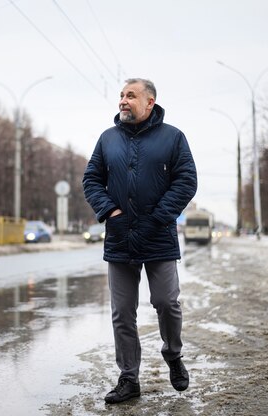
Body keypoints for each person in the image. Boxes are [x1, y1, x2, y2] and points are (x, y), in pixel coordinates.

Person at [82, 78, 197, 404]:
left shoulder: (172, 138)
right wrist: (109, 211)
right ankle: (128, 379)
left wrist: (160, 217)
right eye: (121, 95)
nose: (123, 101)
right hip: (119, 238)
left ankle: (173, 355)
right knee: (122, 313)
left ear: (150, 102)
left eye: (130, 96)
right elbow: (90, 179)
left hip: (158, 235)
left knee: (166, 302)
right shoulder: (108, 139)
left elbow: (187, 180)